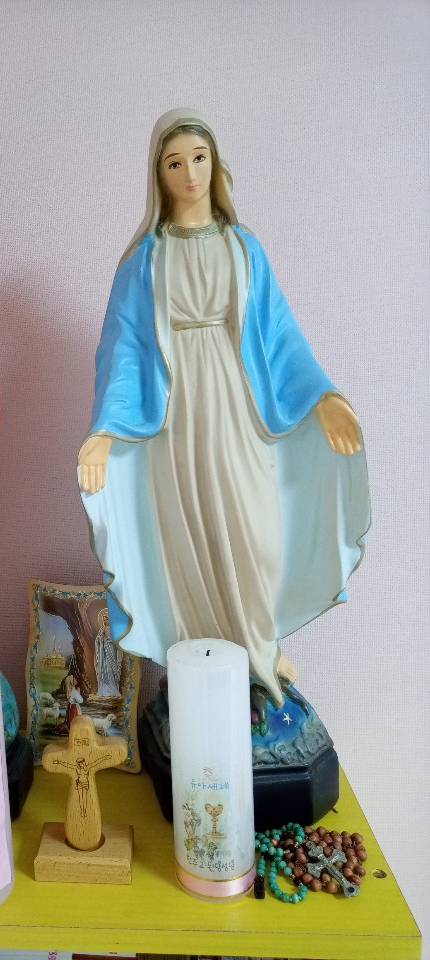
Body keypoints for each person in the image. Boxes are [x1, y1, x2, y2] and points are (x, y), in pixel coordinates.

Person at [78, 109, 370, 709]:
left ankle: (260, 641)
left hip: (237, 403)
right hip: (177, 415)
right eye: (174, 162)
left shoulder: (242, 247)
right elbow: (124, 350)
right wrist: (106, 430)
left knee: (257, 529)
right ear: (158, 174)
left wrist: (322, 397)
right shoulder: (146, 260)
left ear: (215, 165)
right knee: (191, 533)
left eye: (199, 158)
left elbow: (280, 335)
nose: (189, 173)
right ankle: (206, 662)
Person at [94, 609, 121, 698]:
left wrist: (110, 640)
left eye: (106, 619)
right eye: (104, 620)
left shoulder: (114, 629)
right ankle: (104, 690)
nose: (105, 621)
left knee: (110, 670)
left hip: (111, 651)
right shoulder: (103, 629)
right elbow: (98, 640)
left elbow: (116, 641)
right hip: (104, 654)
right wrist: (101, 639)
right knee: (104, 670)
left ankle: (112, 689)